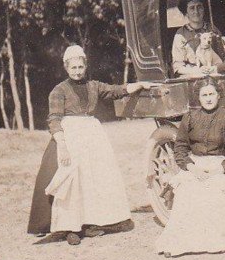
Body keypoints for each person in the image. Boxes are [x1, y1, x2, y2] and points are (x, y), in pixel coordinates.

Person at [27, 45, 151, 245]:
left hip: (92, 136)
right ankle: (71, 226)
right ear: (66, 68)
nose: (77, 71)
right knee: (72, 180)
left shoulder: (94, 86)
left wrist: (139, 85)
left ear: (85, 66)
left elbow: (116, 90)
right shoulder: (59, 91)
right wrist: (63, 146)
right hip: (71, 135)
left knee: (94, 179)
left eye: (80, 67)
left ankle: (91, 222)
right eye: (73, 67)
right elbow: (54, 120)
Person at [155, 79, 225, 257]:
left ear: (218, 95)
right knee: (188, 190)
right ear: (199, 98)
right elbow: (180, 148)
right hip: (195, 165)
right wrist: (191, 168)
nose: (208, 99)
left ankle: (212, 239)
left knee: (213, 191)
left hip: (219, 166)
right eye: (204, 95)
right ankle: (182, 243)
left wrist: (220, 169)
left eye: (211, 94)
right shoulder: (190, 117)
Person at [171, 0, 225, 77]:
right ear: (186, 13)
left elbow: (224, 58)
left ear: (204, 10)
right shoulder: (180, 34)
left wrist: (214, 68)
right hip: (192, 75)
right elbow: (178, 67)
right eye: (192, 8)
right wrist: (198, 70)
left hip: (214, 72)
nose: (196, 11)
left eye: (199, 7)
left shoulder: (213, 30)